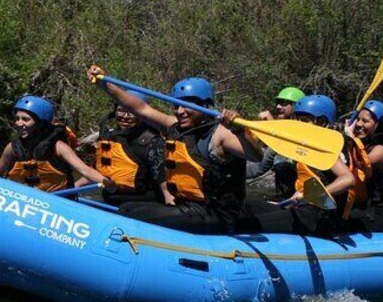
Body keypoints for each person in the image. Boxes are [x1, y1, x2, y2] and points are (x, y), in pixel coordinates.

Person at [86, 65, 263, 234]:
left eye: (187, 106)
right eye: (176, 106)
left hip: (217, 213)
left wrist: (239, 130)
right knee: (129, 207)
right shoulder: (175, 127)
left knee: (131, 212)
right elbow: (140, 108)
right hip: (187, 207)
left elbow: (255, 156)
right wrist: (105, 83)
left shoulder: (222, 134)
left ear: (205, 105)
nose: (180, 112)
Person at [236, 95, 355, 237]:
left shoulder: (326, 149)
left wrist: (308, 195)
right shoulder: (307, 145)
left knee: (249, 223)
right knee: (244, 205)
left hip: (318, 217)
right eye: (297, 119)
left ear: (322, 122)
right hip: (301, 207)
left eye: (304, 120)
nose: (299, 124)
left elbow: (348, 179)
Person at [0, 95, 114, 192]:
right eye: (17, 119)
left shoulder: (58, 147)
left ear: (41, 123)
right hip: (28, 202)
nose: (19, 123)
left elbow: (85, 170)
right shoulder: (12, 148)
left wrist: (106, 182)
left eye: (25, 119)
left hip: (58, 201)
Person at [82, 91, 173, 206]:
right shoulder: (110, 137)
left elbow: (164, 185)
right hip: (111, 202)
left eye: (131, 112)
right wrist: (71, 188)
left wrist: (171, 207)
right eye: (121, 110)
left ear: (142, 114)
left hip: (141, 206)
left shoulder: (152, 142)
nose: (125, 117)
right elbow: (96, 171)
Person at [342, 100, 383, 233]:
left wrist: (350, 139)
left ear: (380, 125)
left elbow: (362, 163)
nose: (359, 124)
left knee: (335, 221)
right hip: (363, 208)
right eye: (358, 119)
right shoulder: (365, 143)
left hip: (379, 215)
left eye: (365, 121)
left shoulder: (382, 149)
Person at [245, 86, 306, 201]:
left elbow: (291, 147)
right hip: (293, 192)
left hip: (306, 191)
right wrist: (234, 172)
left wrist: (272, 125)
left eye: (283, 103)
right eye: (278, 102)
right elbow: (261, 167)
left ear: (297, 106)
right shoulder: (282, 128)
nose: (278, 106)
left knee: (282, 166)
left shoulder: (305, 129)